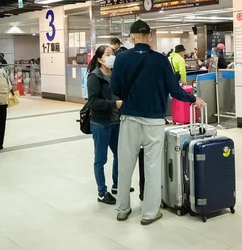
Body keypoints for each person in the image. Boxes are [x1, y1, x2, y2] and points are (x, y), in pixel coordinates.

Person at [111, 20, 205, 226]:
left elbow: (115, 89)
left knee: (125, 164)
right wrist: (193, 99)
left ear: (133, 37)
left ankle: (122, 209)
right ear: (149, 36)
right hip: (154, 120)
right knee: (152, 167)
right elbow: (175, 89)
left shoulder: (121, 58)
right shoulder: (160, 60)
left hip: (129, 118)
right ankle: (149, 213)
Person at [86, 45, 124, 205]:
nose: (112, 56)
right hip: (101, 123)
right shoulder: (94, 77)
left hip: (116, 122)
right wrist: (114, 105)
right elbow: (92, 102)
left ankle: (117, 185)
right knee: (100, 159)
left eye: (113, 53)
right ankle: (102, 192)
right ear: (100, 59)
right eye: (108, 54)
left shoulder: (114, 74)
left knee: (120, 155)